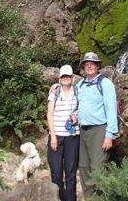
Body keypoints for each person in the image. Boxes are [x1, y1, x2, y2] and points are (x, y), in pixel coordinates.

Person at [77, 52, 118, 198]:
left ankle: (100, 197)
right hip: (82, 131)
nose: (89, 66)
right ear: (83, 67)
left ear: (97, 66)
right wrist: (56, 86)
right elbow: (68, 93)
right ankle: (88, 198)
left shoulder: (106, 84)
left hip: (99, 130)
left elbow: (111, 109)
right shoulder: (80, 85)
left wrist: (109, 135)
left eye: (92, 64)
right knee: (84, 166)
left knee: (98, 167)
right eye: (86, 64)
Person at [47, 64, 80, 201]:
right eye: (63, 76)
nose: (66, 78)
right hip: (56, 136)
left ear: (72, 77)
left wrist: (77, 116)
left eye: (68, 76)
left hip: (72, 137)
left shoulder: (78, 91)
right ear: (60, 78)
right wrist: (53, 137)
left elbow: (83, 109)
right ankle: (59, 198)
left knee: (71, 173)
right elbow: (49, 114)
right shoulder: (54, 92)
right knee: (56, 173)